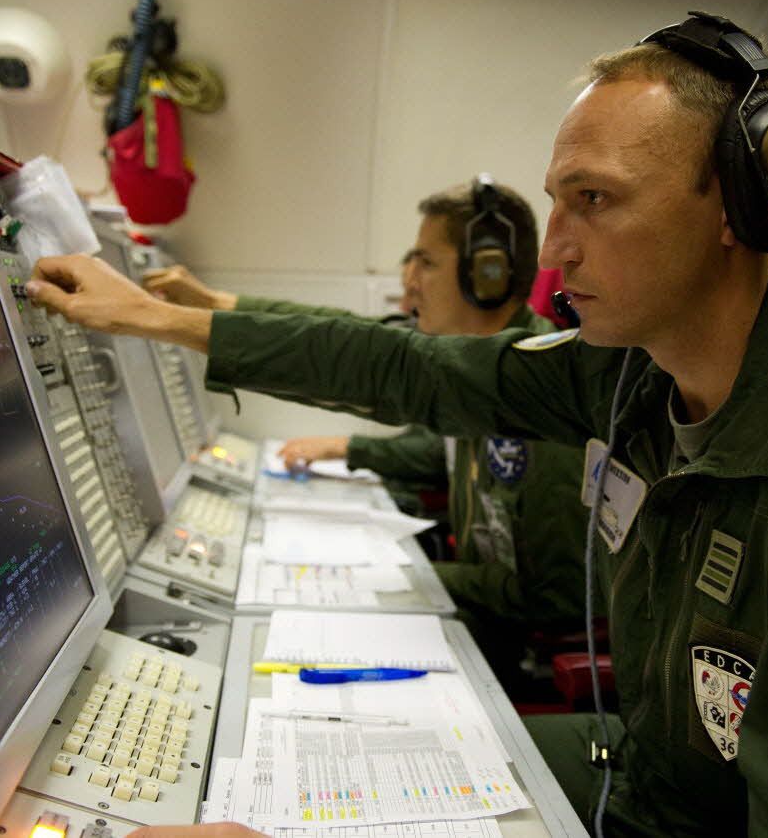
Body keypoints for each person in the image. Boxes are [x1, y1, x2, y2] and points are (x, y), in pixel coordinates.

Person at [27, 12, 768, 835]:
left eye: (595, 200)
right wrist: (172, 318)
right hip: (649, 773)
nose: (553, 248)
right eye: (555, 201)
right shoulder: (632, 371)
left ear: (744, 204)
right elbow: (410, 365)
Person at [141, 183, 591, 690]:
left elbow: (554, 595)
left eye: (425, 262)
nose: (408, 280)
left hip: (509, 650)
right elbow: (350, 335)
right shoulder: (482, 364)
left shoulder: (537, 401)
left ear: (488, 276)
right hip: (476, 617)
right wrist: (219, 304)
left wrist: (407, 574)